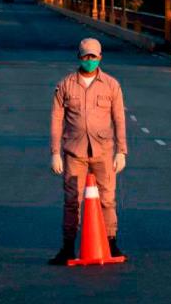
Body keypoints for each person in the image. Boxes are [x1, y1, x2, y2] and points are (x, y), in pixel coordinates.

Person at [48, 38, 128, 265]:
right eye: (86, 56)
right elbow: (56, 120)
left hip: (103, 151)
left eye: (93, 56)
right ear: (79, 57)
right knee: (72, 200)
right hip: (74, 152)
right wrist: (55, 152)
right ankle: (67, 247)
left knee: (108, 199)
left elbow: (119, 119)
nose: (90, 60)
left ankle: (111, 244)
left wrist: (121, 151)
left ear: (100, 57)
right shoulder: (65, 85)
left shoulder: (111, 85)